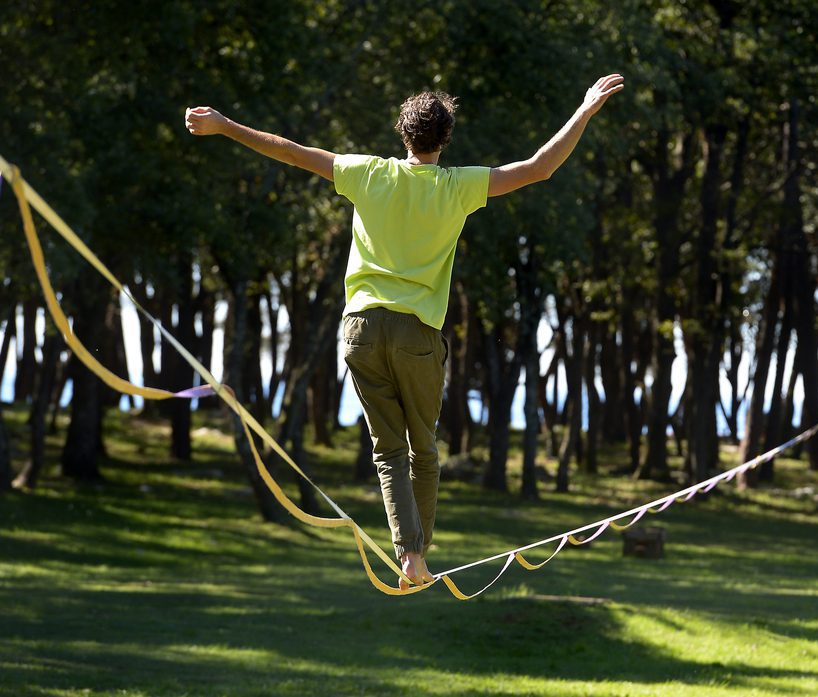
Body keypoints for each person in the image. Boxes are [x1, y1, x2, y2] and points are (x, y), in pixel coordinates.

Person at [185, 73, 625, 588]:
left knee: (387, 449)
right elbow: (538, 168)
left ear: (403, 134)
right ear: (445, 139)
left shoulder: (367, 174)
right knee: (424, 449)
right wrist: (585, 109)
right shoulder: (458, 186)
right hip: (418, 334)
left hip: (362, 329)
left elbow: (291, 151)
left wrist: (223, 125)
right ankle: (416, 557)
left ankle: (409, 555)